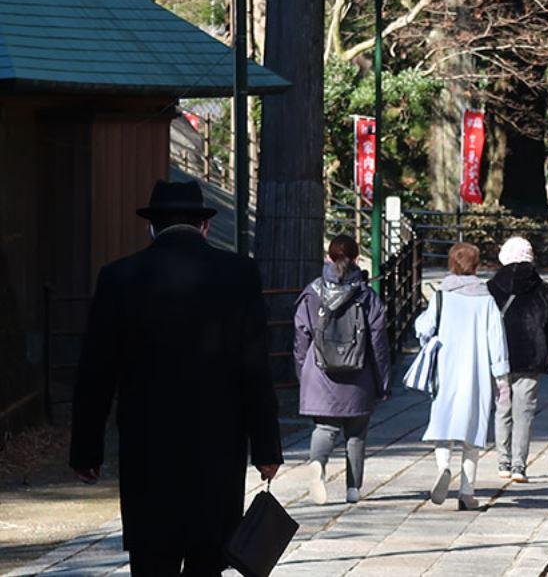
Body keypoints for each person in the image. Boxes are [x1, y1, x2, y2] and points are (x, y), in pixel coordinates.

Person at [70, 180, 282, 577]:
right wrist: (267, 448)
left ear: (151, 227)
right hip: (217, 450)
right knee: (207, 561)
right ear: (204, 227)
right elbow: (255, 369)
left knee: (152, 559)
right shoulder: (238, 274)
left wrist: (86, 452)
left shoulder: (119, 277)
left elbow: (96, 372)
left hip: (148, 451)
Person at [294, 235, 391, 506]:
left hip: (320, 370)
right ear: (357, 259)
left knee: (325, 426)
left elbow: (301, 337)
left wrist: (303, 372)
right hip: (358, 373)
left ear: (328, 257)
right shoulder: (367, 295)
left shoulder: (312, 293)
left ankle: (317, 465)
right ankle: (353, 489)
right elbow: (379, 344)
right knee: (357, 433)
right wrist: (383, 381)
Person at [415, 243, 510, 511]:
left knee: (443, 423)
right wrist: (501, 377)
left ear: (451, 265)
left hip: (446, 368)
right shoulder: (486, 299)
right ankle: (467, 492)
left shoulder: (441, 296)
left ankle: (443, 466)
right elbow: (497, 340)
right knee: (472, 432)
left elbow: (424, 327)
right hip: (477, 371)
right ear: (477, 266)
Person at [488, 237, 548, 483]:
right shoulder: (543, 289)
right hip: (532, 356)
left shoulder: (491, 287)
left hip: (499, 357)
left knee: (502, 409)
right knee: (524, 412)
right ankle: (518, 466)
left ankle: (502, 461)